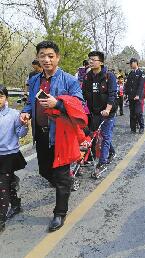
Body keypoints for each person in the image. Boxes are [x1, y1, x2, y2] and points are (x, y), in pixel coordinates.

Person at [21, 40, 86, 232]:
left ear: (57, 57)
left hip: (61, 136)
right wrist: (26, 112)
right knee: (44, 171)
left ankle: (59, 213)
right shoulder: (34, 80)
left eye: (50, 56)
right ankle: (64, 183)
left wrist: (57, 104)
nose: (46, 59)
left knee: (61, 175)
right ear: (38, 58)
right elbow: (30, 102)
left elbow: (80, 105)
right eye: (42, 55)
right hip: (40, 135)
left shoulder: (69, 80)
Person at [82, 51, 118, 173]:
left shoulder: (109, 76)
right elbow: (83, 94)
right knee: (96, 135)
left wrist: (107, 110)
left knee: (106, 135)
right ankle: (112, 151)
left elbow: (112, 95)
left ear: (101, 62)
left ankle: (102, 162)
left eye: (94, 59)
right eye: (89, 59)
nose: (91, 61)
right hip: (95, 111)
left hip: (108, 112)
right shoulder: (87, 77)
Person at [0, 85, 28, 232]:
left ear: (6, 98)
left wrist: (25, 126)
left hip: (9, 156)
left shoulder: (13, 114)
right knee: (7, 183)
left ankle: (1, 220)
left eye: (0, 96)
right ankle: (16, 204)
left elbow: (21, 134)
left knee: (1, 187)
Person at [125, 57, 145, 134]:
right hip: (131, 96)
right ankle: (133, 128)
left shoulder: (141, 73)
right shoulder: (131, 73)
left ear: (135, 63)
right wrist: (126, 94)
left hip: (138, 96)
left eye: (131, 63)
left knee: (138, 112)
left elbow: (141, 85)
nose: (130, 65)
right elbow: (127, 85)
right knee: (132, 113)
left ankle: (141, 127)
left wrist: (137, 95)